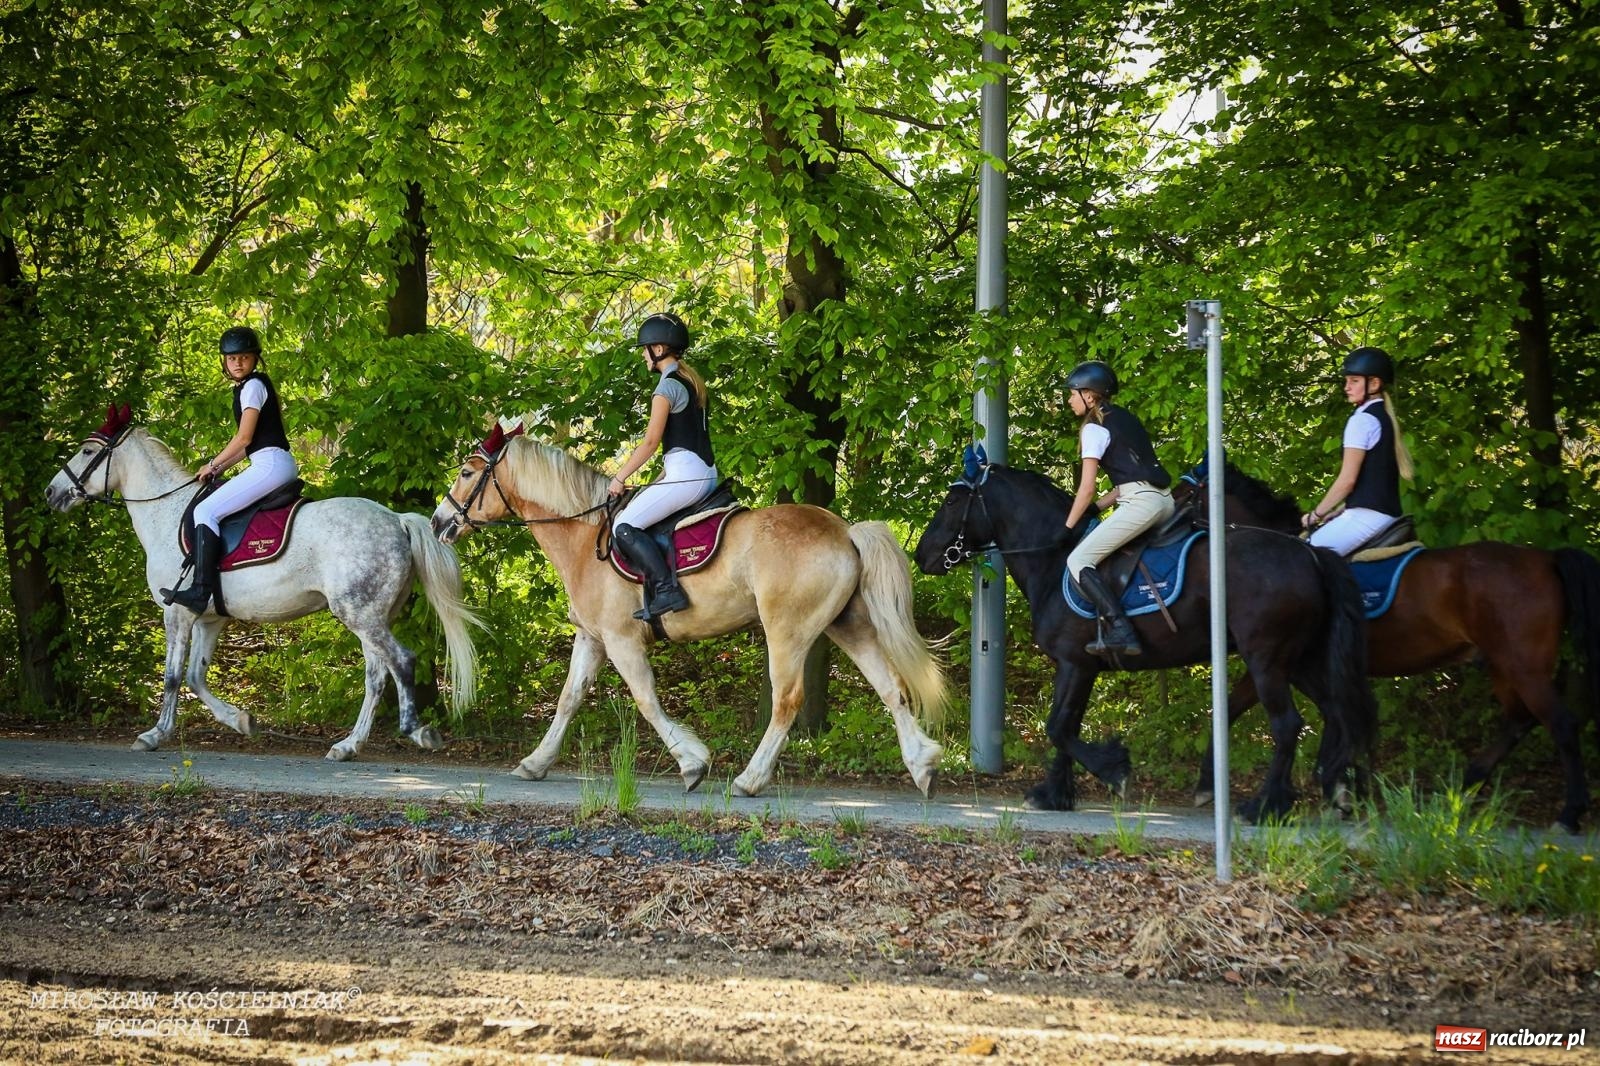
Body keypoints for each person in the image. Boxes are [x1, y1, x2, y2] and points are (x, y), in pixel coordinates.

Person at [160, 326, 299, 614]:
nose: (238, 362)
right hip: (269, 461)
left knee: (204, 512)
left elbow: (244, 439)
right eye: (232, 358)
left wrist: (212, 463)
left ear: (255, 359)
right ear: (224, 361)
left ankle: (200, 591)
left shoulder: (253, 387)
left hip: (270, 464)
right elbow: (247, 448)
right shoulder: (251, 387)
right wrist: (218, 468)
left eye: (244, 357)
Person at [607, 312, 718, 621]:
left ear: (658, 349)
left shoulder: (665, 388)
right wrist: (656, 481)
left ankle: (667, 591)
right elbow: (680, 447)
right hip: (702, 473)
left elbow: (650, 443)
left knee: (623, 527)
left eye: (645, 348)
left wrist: (619, 477)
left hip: (687, 478)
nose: (643, 354)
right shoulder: (691, 381)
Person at [1059, 360, 1174, 657]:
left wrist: (1068, 528)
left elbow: (1086, 489)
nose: (1069, 399)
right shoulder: (1125, 419)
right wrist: (1098, 509)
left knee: (1079, 560)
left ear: (1090, 395)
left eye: (1073, 393)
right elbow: (1127, 480)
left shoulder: (1094, 429)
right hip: (1164, 501)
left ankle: (1121, 629)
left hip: (1141, 505)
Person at [1301, 346, 1414, 555]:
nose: (1346, 387)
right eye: (1346, 381)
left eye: (1354, 381)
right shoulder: (1382, 417)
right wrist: (1338, 511)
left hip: (1366, 518)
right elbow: (1371, 481)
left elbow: (1347, 481)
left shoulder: (1362, 421)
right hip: (1382, 515)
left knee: (1305, 555)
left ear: (1374, 383)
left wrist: (1316, 515)